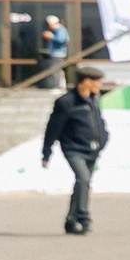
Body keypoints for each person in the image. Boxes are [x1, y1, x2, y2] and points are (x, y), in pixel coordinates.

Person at [40, 66, 110, 235]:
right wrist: (46, 152)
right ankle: (84, 217)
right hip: (73, 149)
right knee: (83, 179)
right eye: (97, 81)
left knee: (83, 185)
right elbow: (52, 128)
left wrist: (104, 138)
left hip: (92, 149)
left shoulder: (94, 99)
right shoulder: (66, 102)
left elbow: (98, 121)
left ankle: (71, 221)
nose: (99, 85)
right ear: (86, 82)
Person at [38, 15, 70, 88]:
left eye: (49, 24)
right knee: (56, 70)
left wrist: (51, 36)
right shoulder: (57, 30)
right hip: (55, 53)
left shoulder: (60, 30)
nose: (49, 27)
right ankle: (59, 85)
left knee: (54, 70)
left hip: (58, 53)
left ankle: (57, 86)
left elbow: (61, 40)